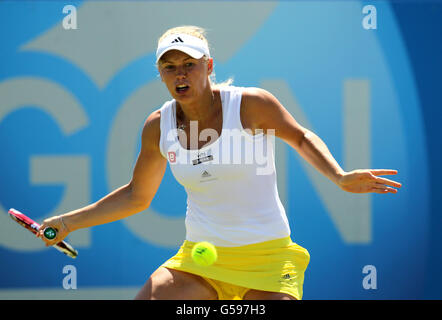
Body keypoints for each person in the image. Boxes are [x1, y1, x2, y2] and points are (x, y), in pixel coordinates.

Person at [37, 26, 402, 300]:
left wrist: (338, 176)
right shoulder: (156, 126)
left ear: (208, 66)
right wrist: (68, 223)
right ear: (161, 74)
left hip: (269, 261)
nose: (180, 73)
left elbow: (301, 138)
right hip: (200, 263)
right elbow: (136, 195)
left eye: (189, 64)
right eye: (169, 67)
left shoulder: (251, 104)